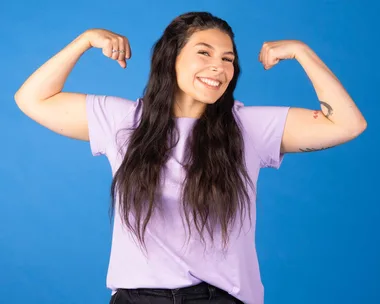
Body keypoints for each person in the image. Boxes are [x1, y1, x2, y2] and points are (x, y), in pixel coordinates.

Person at [14, 11, 366, 304]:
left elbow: (347, 125)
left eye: (228, 59)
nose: (219, 67)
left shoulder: (251, 127)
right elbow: (32, 99)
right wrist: (85, 40)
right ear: (172, 58)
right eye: (205, 53)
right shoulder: (123, 122)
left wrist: (303, 52)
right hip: (138, 298)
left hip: (221, 299)